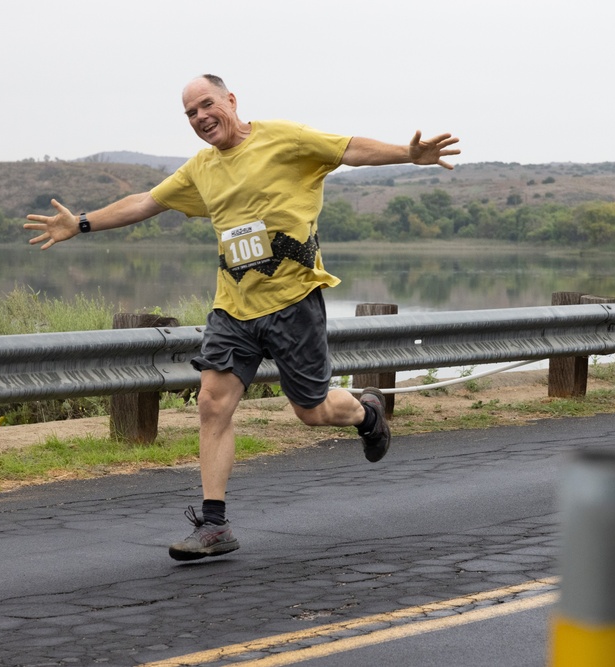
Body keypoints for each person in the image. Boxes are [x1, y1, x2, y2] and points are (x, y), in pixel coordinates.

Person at [25, 74, 460, 561]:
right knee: (212, 403)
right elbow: (146, 202)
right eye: (189, 113)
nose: (200, 117)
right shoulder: (201, 169)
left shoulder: (285, 139)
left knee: (311, 411)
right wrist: (81, 223)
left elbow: (349, 148)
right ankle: (214, 525)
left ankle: (365, 413)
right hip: (233, 308)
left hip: (294, 301)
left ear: (231, 100)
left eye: (206, 105)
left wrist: (408, 153)